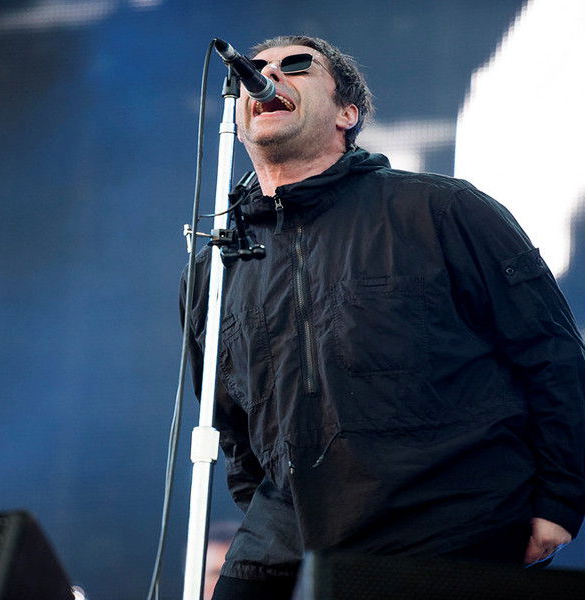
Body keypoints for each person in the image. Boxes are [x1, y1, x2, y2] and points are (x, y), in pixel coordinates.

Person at [180, 35, 585, 600]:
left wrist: (560, 499)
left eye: (296, 66)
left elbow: (551, 354)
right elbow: (230, 420)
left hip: (448, 517)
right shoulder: (217, 265)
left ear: (347, 114)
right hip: (288, 527)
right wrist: (263, 504)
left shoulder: (442, 209)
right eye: (257, 67)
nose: (267, 76)